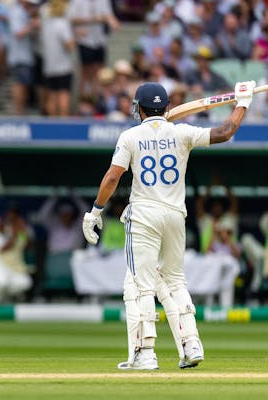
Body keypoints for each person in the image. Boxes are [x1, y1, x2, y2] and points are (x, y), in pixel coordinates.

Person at [82, 80, 256, 370]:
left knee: (140, 284)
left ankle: (145, 353)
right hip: (176, 215)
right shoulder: (182, 132)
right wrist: (243, 103)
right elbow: (226, 132)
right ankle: (191, 344)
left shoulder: (130, 136)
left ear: (141, 108)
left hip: (144, 215)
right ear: (165, 108)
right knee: (175, 281)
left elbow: (113, 178)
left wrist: (95, 211)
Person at [0, 210, 33, 306]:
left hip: (9, 268)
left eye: (0, 223)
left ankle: (1, 298)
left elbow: (25, 244)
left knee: (25, 283)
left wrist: (22, 231)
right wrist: (17, 231)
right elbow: (4, 248)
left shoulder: (9, 234)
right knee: (2, 283)